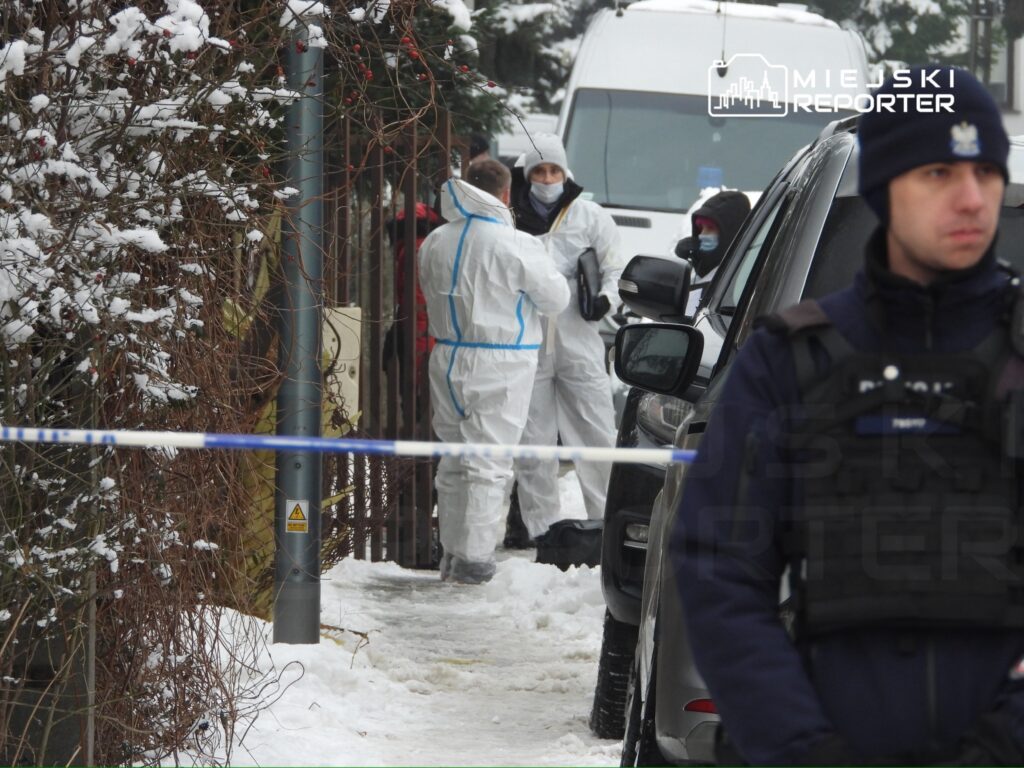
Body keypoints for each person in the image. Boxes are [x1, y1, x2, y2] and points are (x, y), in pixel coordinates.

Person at [671, 66, 1024, 765]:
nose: (971, 198)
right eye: (937, 173)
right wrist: (800, 746)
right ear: (885, 186)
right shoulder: (789, 360)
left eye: (986, 171)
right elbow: (718, 568)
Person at [418, 159, 569, 584]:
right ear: (506, 195)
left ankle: (453, 553)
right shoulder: (516, 243)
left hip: (446, 354)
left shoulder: (434, 240)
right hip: (502, 360)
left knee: (453, 458)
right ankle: (474, 560)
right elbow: (556, 299)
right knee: (489, 461)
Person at [509, 133, 626, 567]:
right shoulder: (511, 217)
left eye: (553, 171)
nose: (546, 179)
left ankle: (607, 526)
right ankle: (543, 535)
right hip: (528, 345)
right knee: (534, 441)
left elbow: (614, 267)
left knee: (596, 432)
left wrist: (607, 300)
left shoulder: (589, 216)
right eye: (538, 172)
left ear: (565, 172)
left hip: (579, 341)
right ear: (527, 174)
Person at [674, 189, 751, 279]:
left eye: (710, 228)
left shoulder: (742, 273)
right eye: (701, 228)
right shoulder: (705, 269)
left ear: (731, 232)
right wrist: (687, 261)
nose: (702, 234)